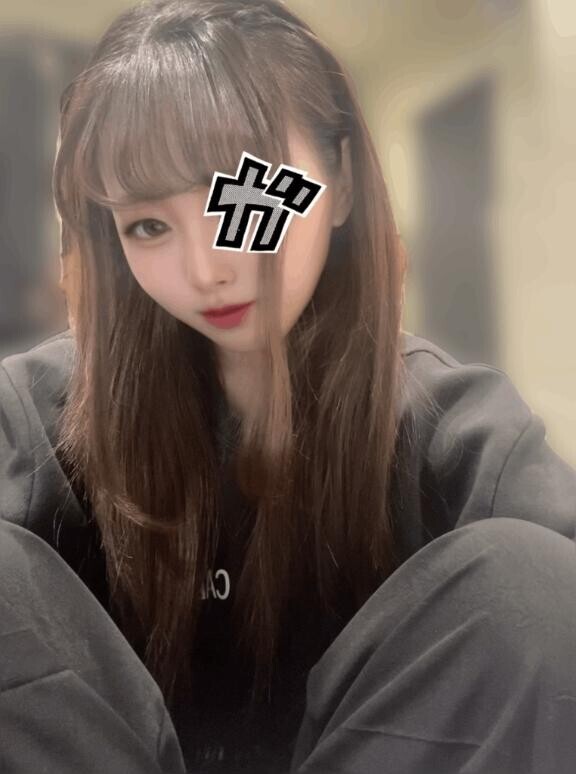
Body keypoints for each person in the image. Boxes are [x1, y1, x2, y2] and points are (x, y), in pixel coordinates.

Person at [1, 1, 576, 772]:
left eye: (240, 198)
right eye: (148, 227)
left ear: (339, 183)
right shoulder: (41, 412)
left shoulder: (457, 431)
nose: (206, 268)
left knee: (531, 583)